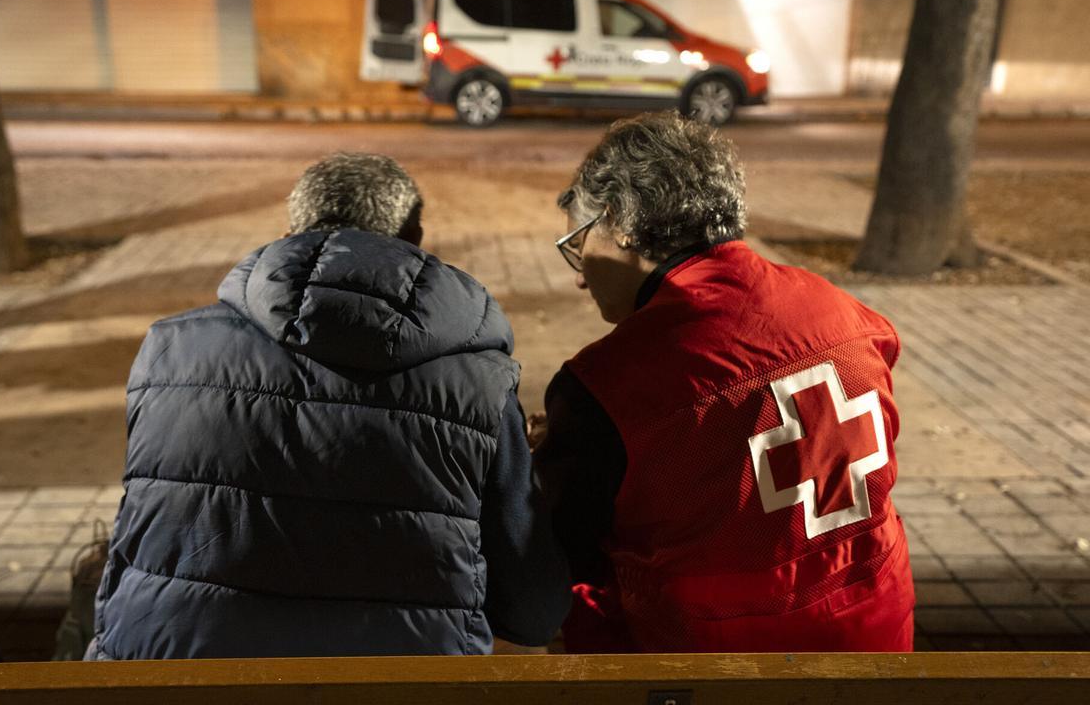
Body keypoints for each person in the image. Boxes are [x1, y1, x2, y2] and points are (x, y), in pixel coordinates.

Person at [89, 152, 569, 659]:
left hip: (170, 678)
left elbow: (136, 543)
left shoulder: (168, 353)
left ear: (291, 230)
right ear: (413, 239)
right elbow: (532, 612)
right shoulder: (480, 385)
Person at [533, 111, 914, 652]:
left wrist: (562, 450)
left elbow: (563, 553)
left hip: (715, 658)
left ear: (618, 222)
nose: (578, 275)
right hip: (873, 627)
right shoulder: (847, 314)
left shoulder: (608, 384)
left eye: (579, 241)